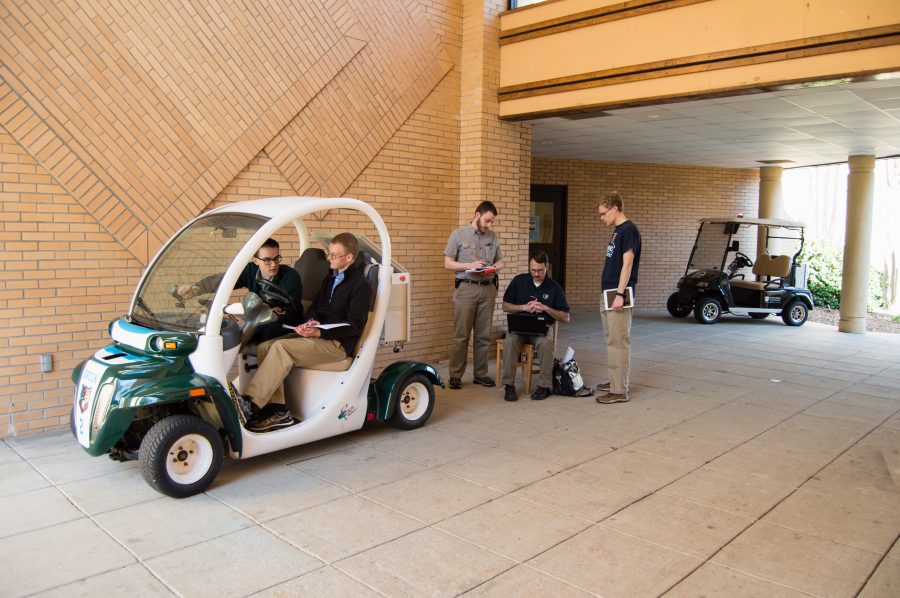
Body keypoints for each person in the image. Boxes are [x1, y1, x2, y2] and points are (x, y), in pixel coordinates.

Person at [238, 233, 371, 432]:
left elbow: (355, 325)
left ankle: (251, 402)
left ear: (349, 258)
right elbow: (316, 308)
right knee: (266, 346)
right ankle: (278, 411)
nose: (329, 259)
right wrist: (310, 322)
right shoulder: (330, 278)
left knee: (281, 347)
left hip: (337, 344)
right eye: (329, 254)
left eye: (334, 255)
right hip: (320, 335)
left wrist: (319, 333)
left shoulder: (360, 285)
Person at [177, 238, 303, 343]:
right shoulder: (250, 270)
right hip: (256, 318)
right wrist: (196, 289)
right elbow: (225, 280)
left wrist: (248, 322)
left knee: (260, 333)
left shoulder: (291, 276)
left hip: (285, 321)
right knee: (224, 329)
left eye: (276, 259)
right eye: (267, 260)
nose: (274, 264)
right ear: (255, 260)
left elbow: (286, 313)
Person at [444, 201, 504, 390]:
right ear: (477, 215)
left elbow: (500, 260)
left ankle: (481, 374)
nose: (489, 225)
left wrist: (493, 268)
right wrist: (469, 266)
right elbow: (448, 263)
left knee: (483, 335)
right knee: (461, 335)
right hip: (466, 288)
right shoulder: (458, 235)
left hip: (488, 288)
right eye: (487, 220)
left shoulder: (493, 237)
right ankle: (455, 375)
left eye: (492, 222)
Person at [501, 251, 570, 402]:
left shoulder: (554, 288)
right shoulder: (519, 281)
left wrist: (546, 309)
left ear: (547, 267)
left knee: (545, 344)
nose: (536, 273)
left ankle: (544, 386)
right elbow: (505, 306)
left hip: (542, 329)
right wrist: (523, 307)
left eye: (540, 270)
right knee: (510, 341)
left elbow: (565, 317)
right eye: (533, 270)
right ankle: (509, 385)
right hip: (520, 326)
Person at [596, 191, 641, 404]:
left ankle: (619, 390)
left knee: (619, 342)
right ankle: (615, 381)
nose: (602, 218)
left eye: (603, 213)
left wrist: (620, 294)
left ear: (614, 208)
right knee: (611, 339)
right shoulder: (618, 230)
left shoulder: (629, 230)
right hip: (609, 292)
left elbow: (628, 264)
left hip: (618, 293)